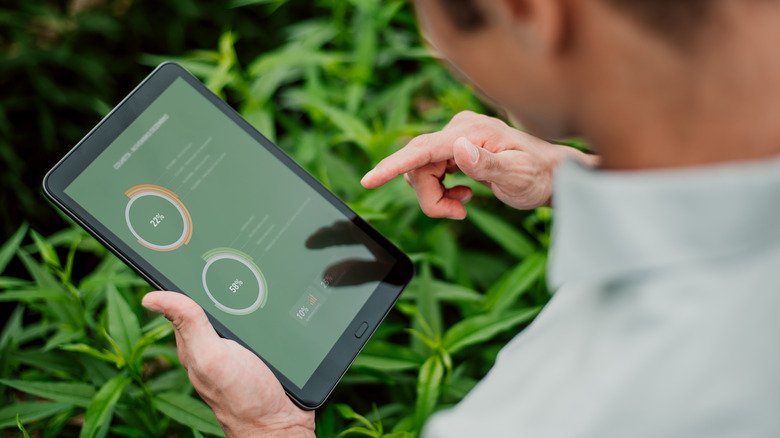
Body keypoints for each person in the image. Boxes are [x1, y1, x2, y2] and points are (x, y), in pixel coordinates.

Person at [141, 0, 780, 436]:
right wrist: (564, 173)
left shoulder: (560, 412)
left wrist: (270, 427)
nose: (431, 42)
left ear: (524, 12)